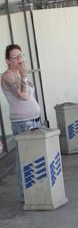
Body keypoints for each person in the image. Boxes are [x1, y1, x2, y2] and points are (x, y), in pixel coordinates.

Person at [1, 44, 41, 200]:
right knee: (24, 157)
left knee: (34, 156)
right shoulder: (8, 76)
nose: (18, 59)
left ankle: (36, 190)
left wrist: (23, 75)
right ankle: (26, 194)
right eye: (14, 57)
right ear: (7, 60)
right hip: (22, 122)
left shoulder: (19, 74)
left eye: (20, 55)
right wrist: (24, 75)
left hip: (33, 120)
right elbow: (23, 95)